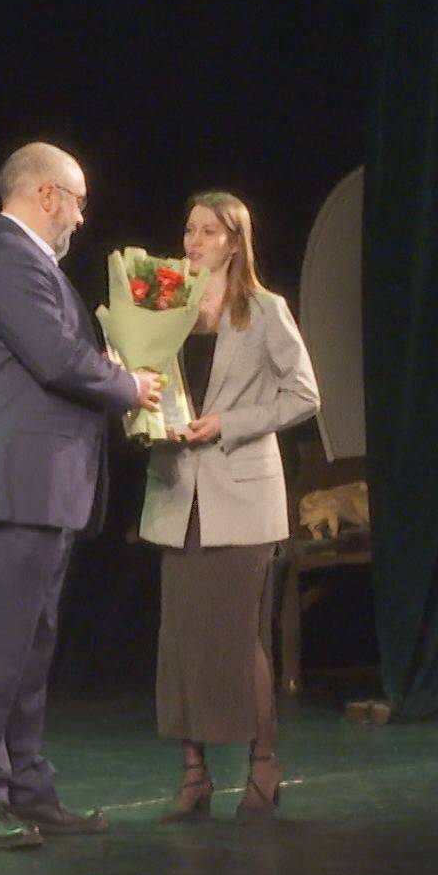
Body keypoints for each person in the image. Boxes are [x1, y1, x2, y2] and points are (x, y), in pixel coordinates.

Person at [0, 142, 163, 850]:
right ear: (46, 195)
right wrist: (129, 385)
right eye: (76, 201)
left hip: (40, 489)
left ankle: (28, 792)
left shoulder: (28, 264)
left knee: (29, 654)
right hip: (16, 487)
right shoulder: (10, 259)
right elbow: (57, 359)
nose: (80, 216)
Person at [140, 191, 319, 822]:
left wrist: (230, 423)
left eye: (208, 232)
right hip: (177, 495)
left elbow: (304, 396)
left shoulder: (265, 310)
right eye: (189, 230)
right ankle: (194, 775)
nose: (193, 242)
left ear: (235, 242)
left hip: (240, 497)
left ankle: (263, 765)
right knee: (181, 642)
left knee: (241, 640)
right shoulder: (167, 308)